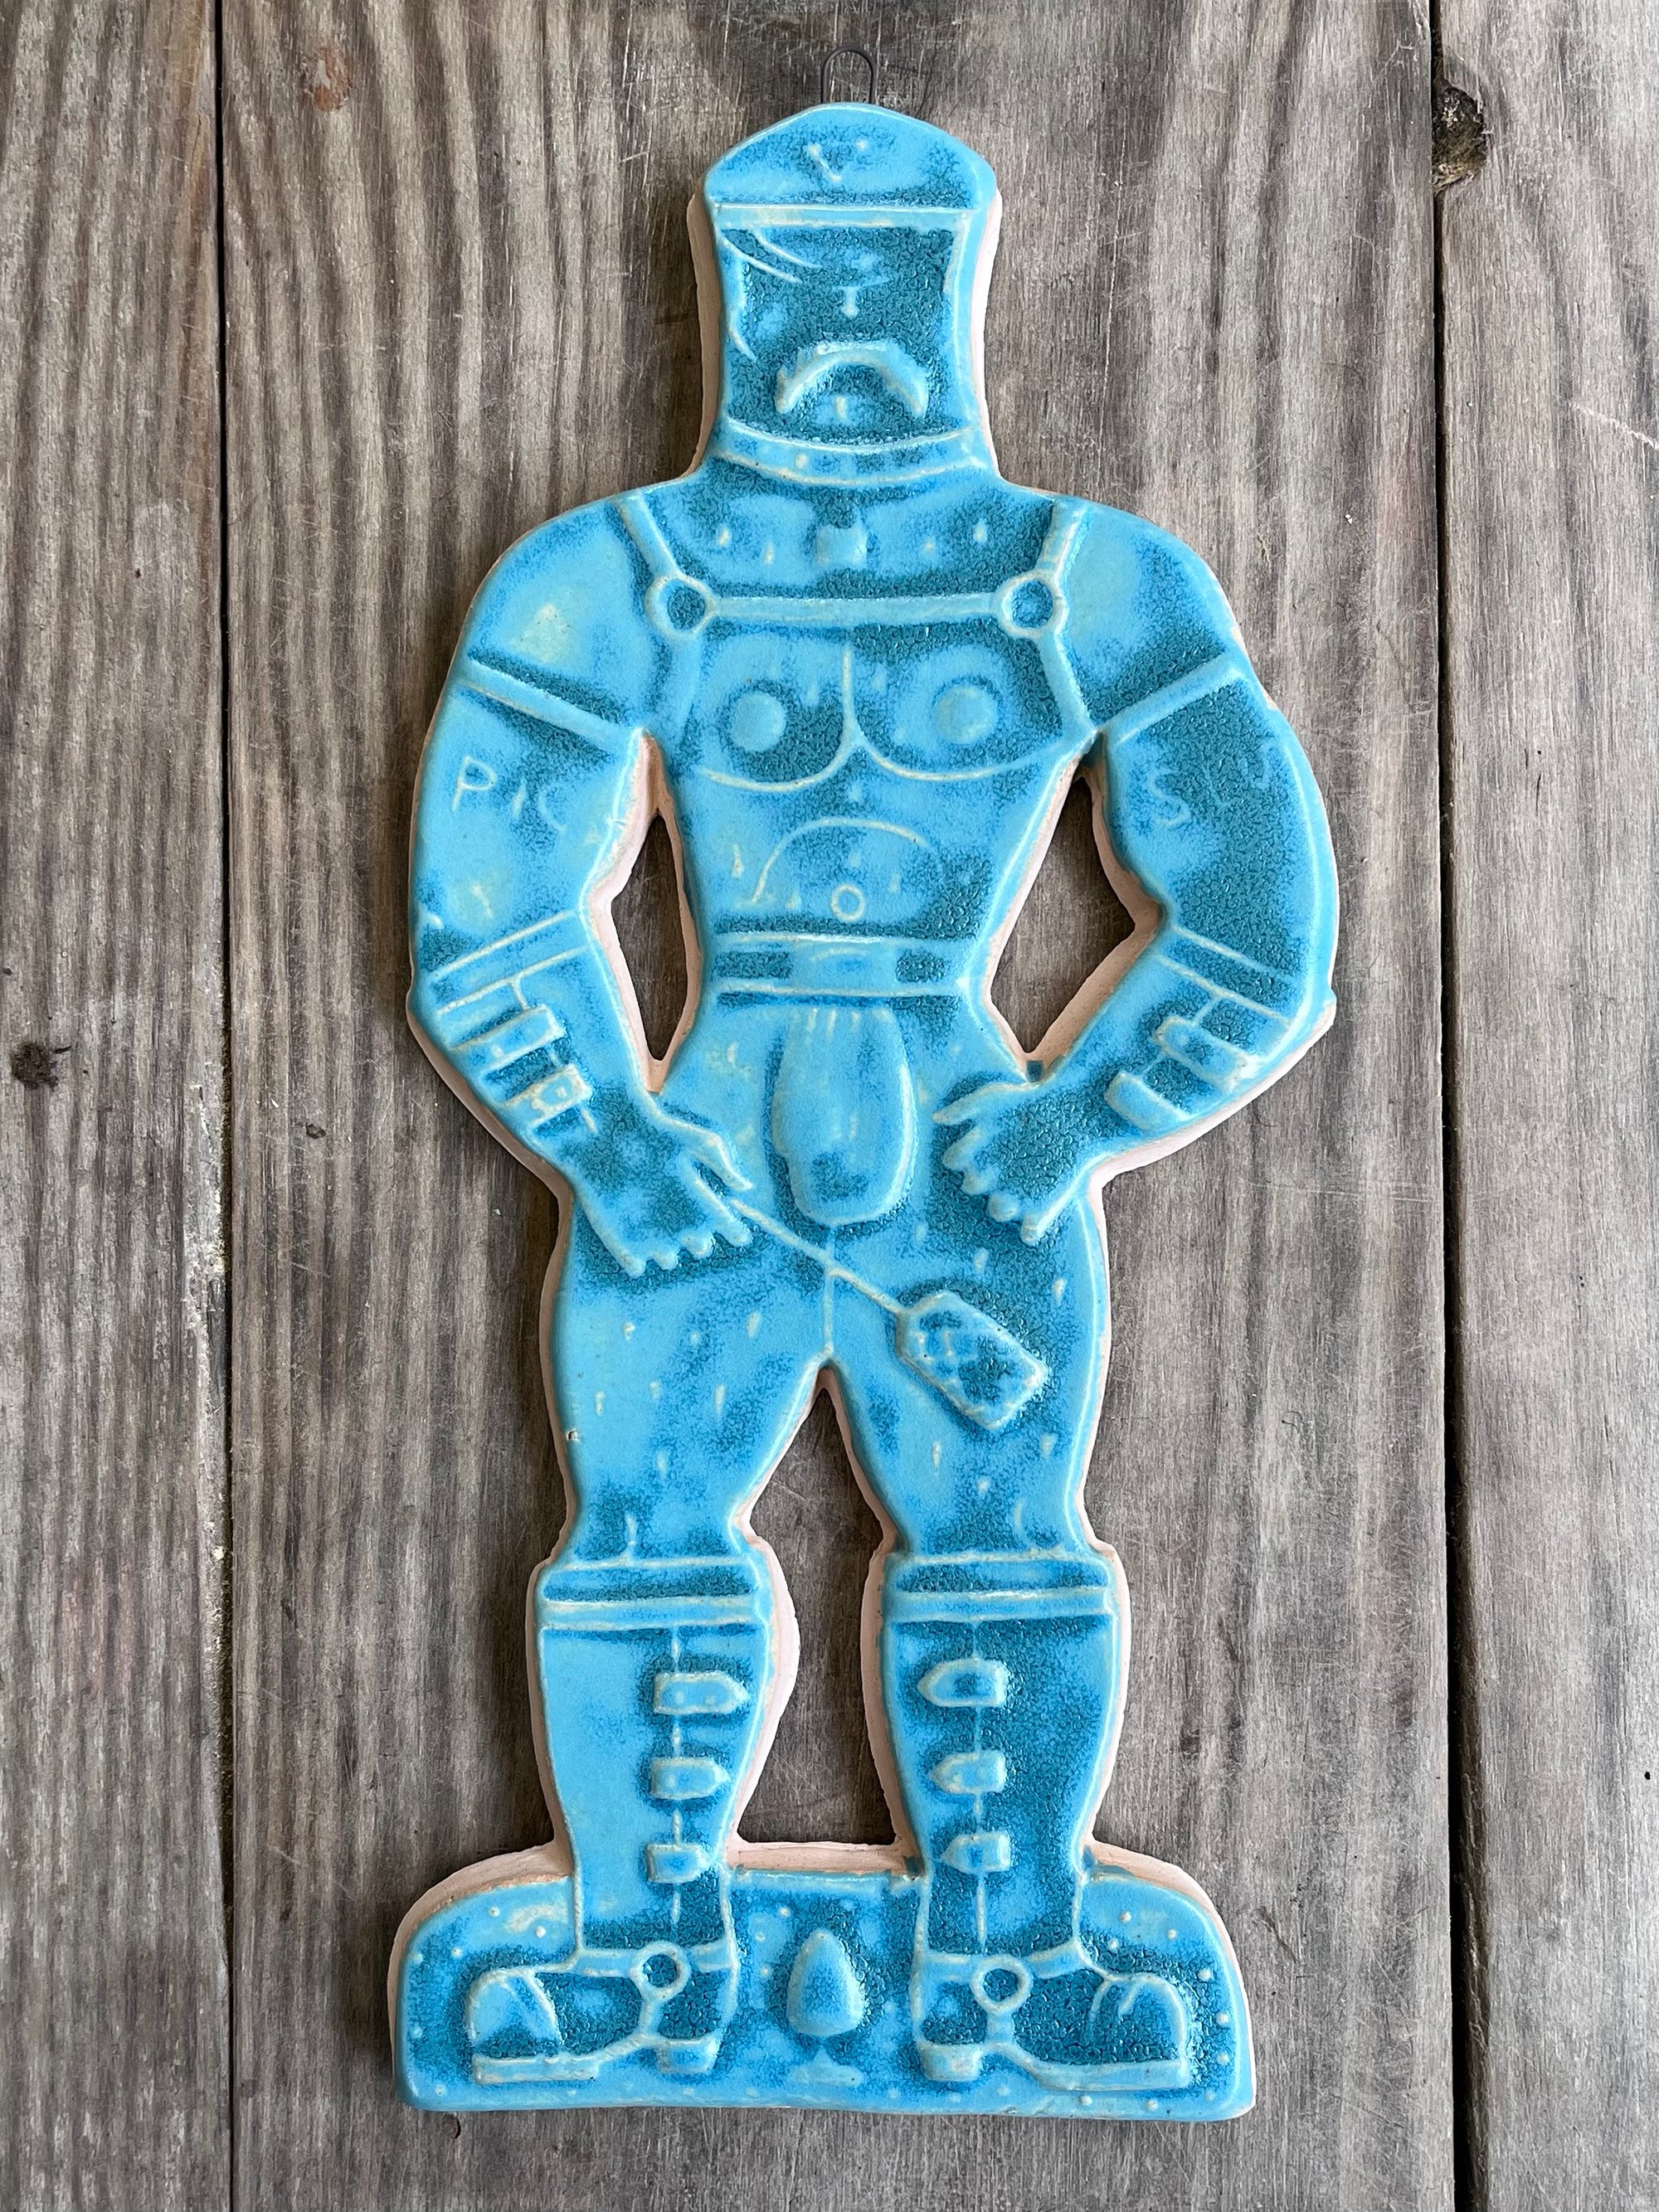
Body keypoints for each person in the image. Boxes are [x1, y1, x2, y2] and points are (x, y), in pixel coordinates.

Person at [407, 100, 1336, 2090]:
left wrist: (1082, 1112)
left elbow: (1260, 917)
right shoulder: (613, 581)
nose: (842, 330)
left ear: (947, 284)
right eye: (801, 282)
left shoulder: (1078, 583)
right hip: (706, 1133)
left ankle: (1008, 1947)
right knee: (646, 1519)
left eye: (877, 281)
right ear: (738, 289)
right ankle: (643, 1939)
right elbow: (490, 902)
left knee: (997, 1527)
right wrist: (604, 1135)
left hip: (961, 1141)